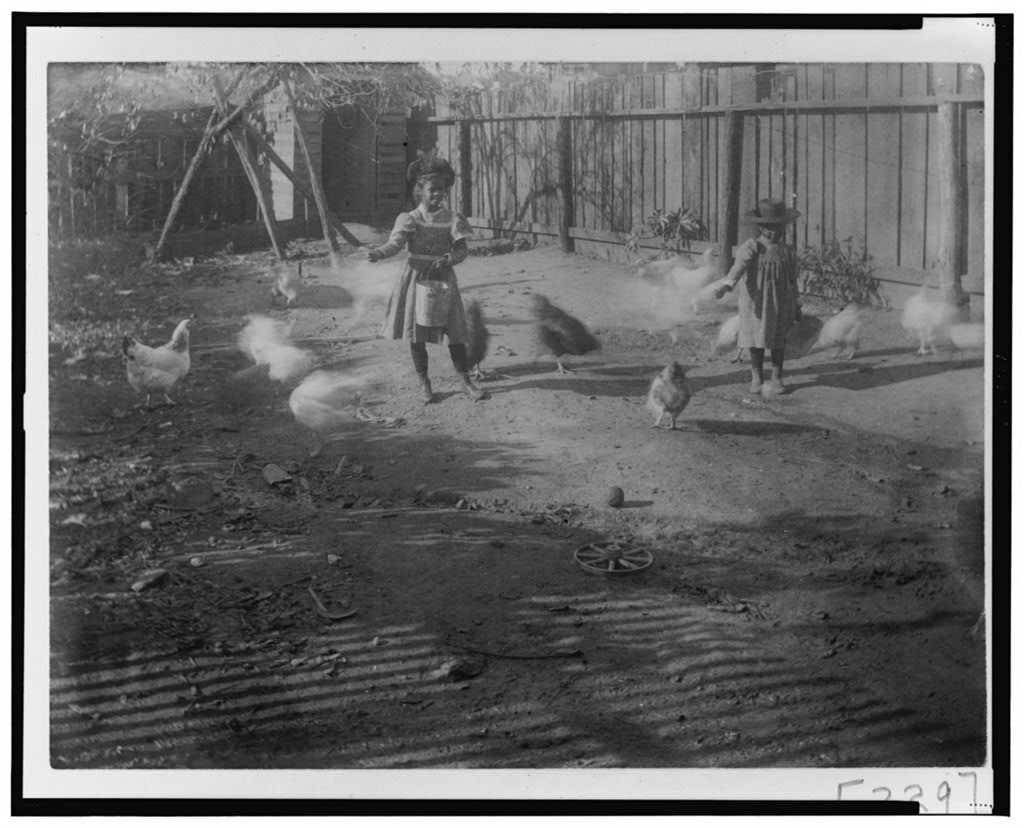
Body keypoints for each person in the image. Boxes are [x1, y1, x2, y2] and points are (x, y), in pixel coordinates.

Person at [367, 154, 487, 404]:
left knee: (455, 331)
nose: (437, 195)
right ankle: (424, 382)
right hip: (415, 279)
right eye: (432, 190)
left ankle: (465, 380)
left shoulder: (453, 219)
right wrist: (378, 253)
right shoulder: (409, 218)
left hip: (443, 278)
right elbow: (395, 244)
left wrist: (449, 259)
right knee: (417, 333)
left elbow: (462, 249)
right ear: (419, 190)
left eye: (442, 190)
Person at [715, 199, 803, 396]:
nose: (774, 232)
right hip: (756, 302)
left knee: (778, 340)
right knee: (756, 340)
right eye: (769, 228)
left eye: (778, 228)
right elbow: (738, 268)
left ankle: (777, 376)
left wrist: (797, 303)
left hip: (780, 303)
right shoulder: (752, 247)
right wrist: (726, 286)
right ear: (761, 228)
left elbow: (792, 280)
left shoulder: (786, 251)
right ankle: (757, 377)